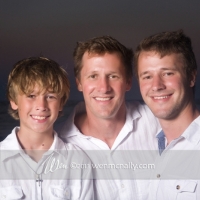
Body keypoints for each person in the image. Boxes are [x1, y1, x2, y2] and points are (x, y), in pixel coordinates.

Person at [60, 36, 161, 199]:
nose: (103, 88)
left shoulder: (157, 122)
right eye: (93, 76)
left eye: (113, 76)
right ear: (79, 83)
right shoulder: (61, 147)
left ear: (128, 82)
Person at [0, 57, 93, 200]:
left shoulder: (78, 161)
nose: (41, 106)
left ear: (61, 103)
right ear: (13, 101)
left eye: (50, 96)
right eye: (31, 96)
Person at [134, 30, 200, 199]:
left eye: (168, 73)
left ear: (191, 77)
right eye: (147, 76)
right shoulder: (152, 144)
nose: (156, 85)